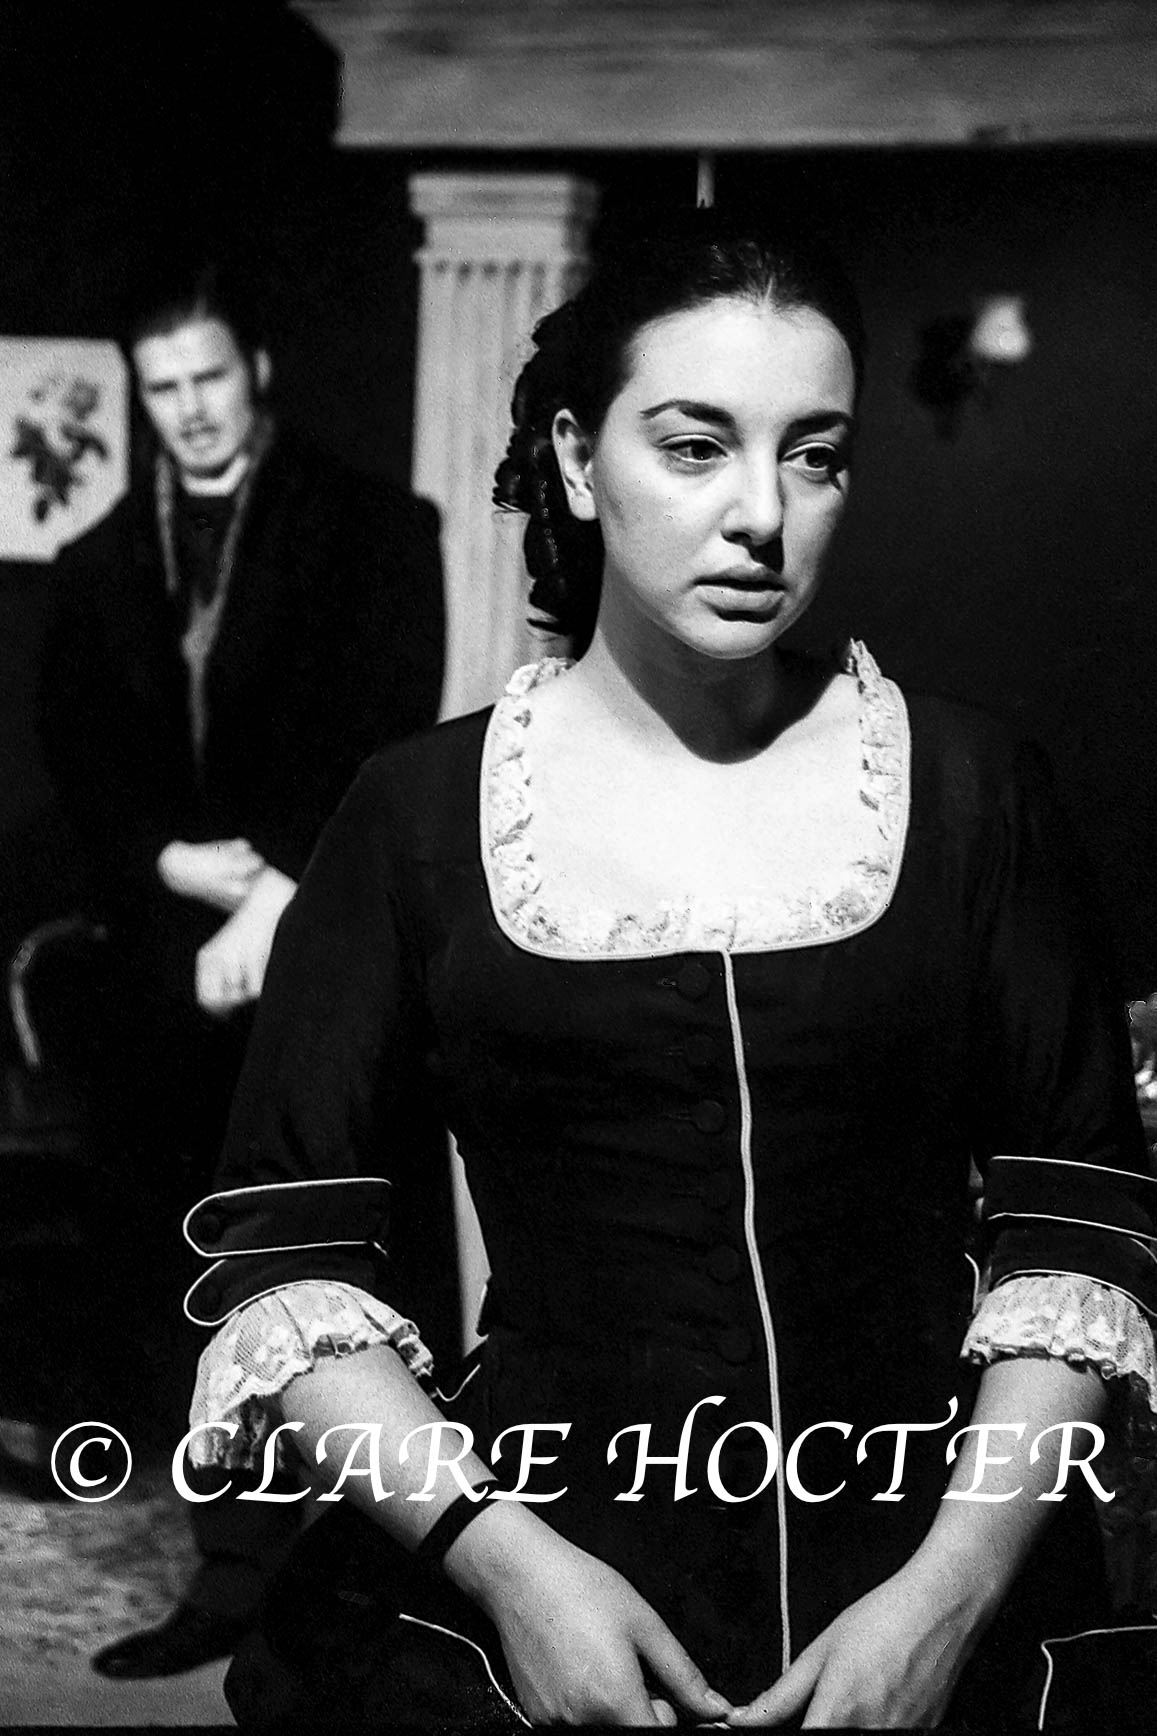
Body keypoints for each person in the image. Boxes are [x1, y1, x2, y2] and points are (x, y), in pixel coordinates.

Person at [182, 207, 1156, 1728]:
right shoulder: (419, 814)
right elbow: (285, 1257)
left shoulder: (974, 791)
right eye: (696, 446)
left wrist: (946, 1599)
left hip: (933, 1576)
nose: (762, 513)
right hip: (539, 1578)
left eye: (814, 455)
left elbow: (1075, 1230)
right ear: (579, 463)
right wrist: (511, 1573)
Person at [36, 263, 447, 1678]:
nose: (192, 409)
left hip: (333, 954)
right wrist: (168, 864)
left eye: (210, 377)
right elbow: (80, 766)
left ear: (256, 371)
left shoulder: (378, 529)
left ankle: (404, 1576)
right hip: (170, 977)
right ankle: (233, 1574)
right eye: (164, 388)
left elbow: (387, 737)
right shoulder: (99, 561)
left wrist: (272, 891)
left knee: (347, 1268)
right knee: (192, 1278)